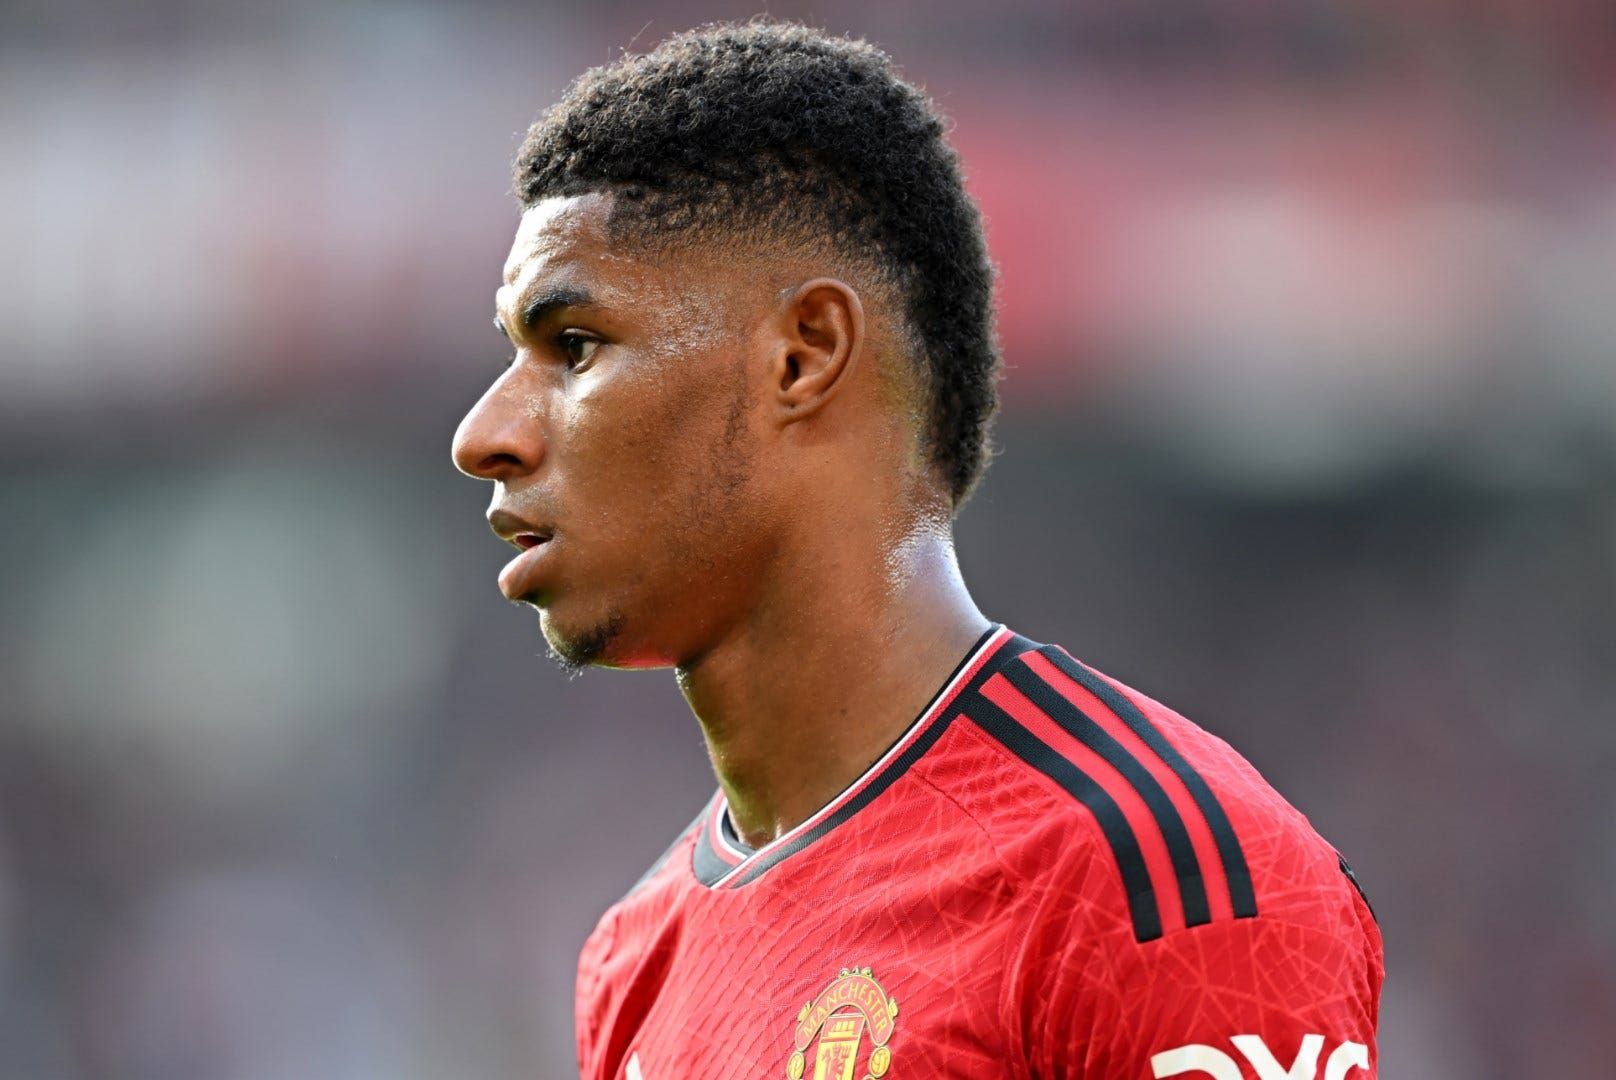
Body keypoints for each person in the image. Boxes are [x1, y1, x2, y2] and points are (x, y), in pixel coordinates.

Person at [451, 20, 1382, 1080]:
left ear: (803, 356)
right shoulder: (634, 959)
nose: (484, 434)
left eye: (574, 346)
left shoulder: (1157, 876)